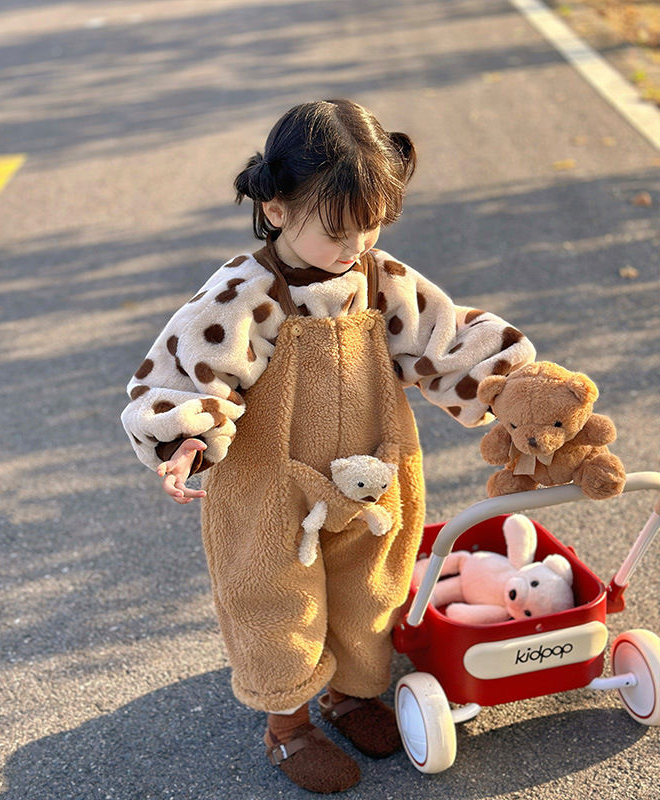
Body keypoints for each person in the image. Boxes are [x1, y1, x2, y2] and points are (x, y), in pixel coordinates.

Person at [121, 98, 536, 793]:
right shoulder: (244, 295)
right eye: (339, 231)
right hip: (270, 490)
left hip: (373, 471)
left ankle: (351, 692)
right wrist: (185, 441)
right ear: (276, 208)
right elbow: (187, 374)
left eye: (372, 225)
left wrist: (517, 389)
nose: (357, 246)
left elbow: (446, 341)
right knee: (274, 602)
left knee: (369, 587)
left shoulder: (381, 278)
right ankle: (287, 728)